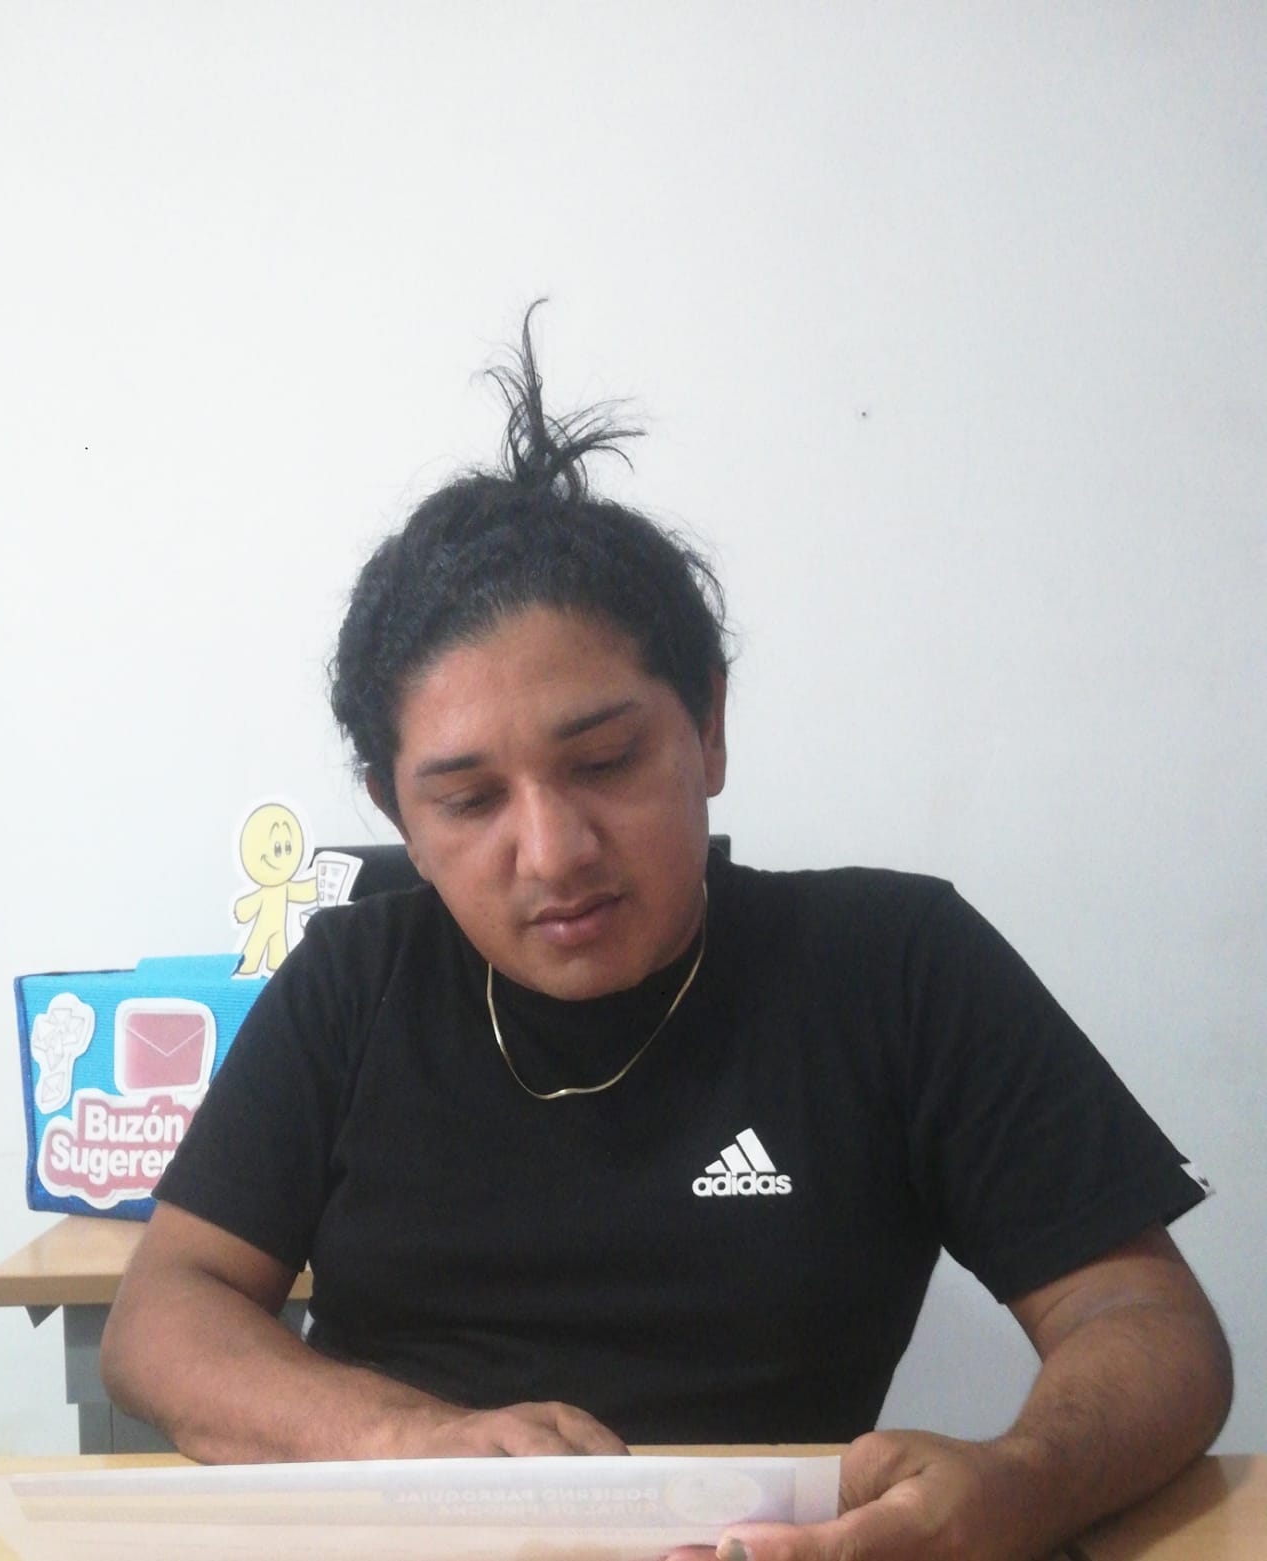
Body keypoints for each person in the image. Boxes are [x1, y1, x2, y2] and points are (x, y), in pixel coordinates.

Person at [101, 310, 1232, 1561]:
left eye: (604, 761)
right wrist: (403, 1437)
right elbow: (163, 1314)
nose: (553, 851)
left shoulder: (894, 963)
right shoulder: (354, 981)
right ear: (397, 816)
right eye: (469, 801)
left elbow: (1140, 1314)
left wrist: (1021, 1485)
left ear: (710, 728)